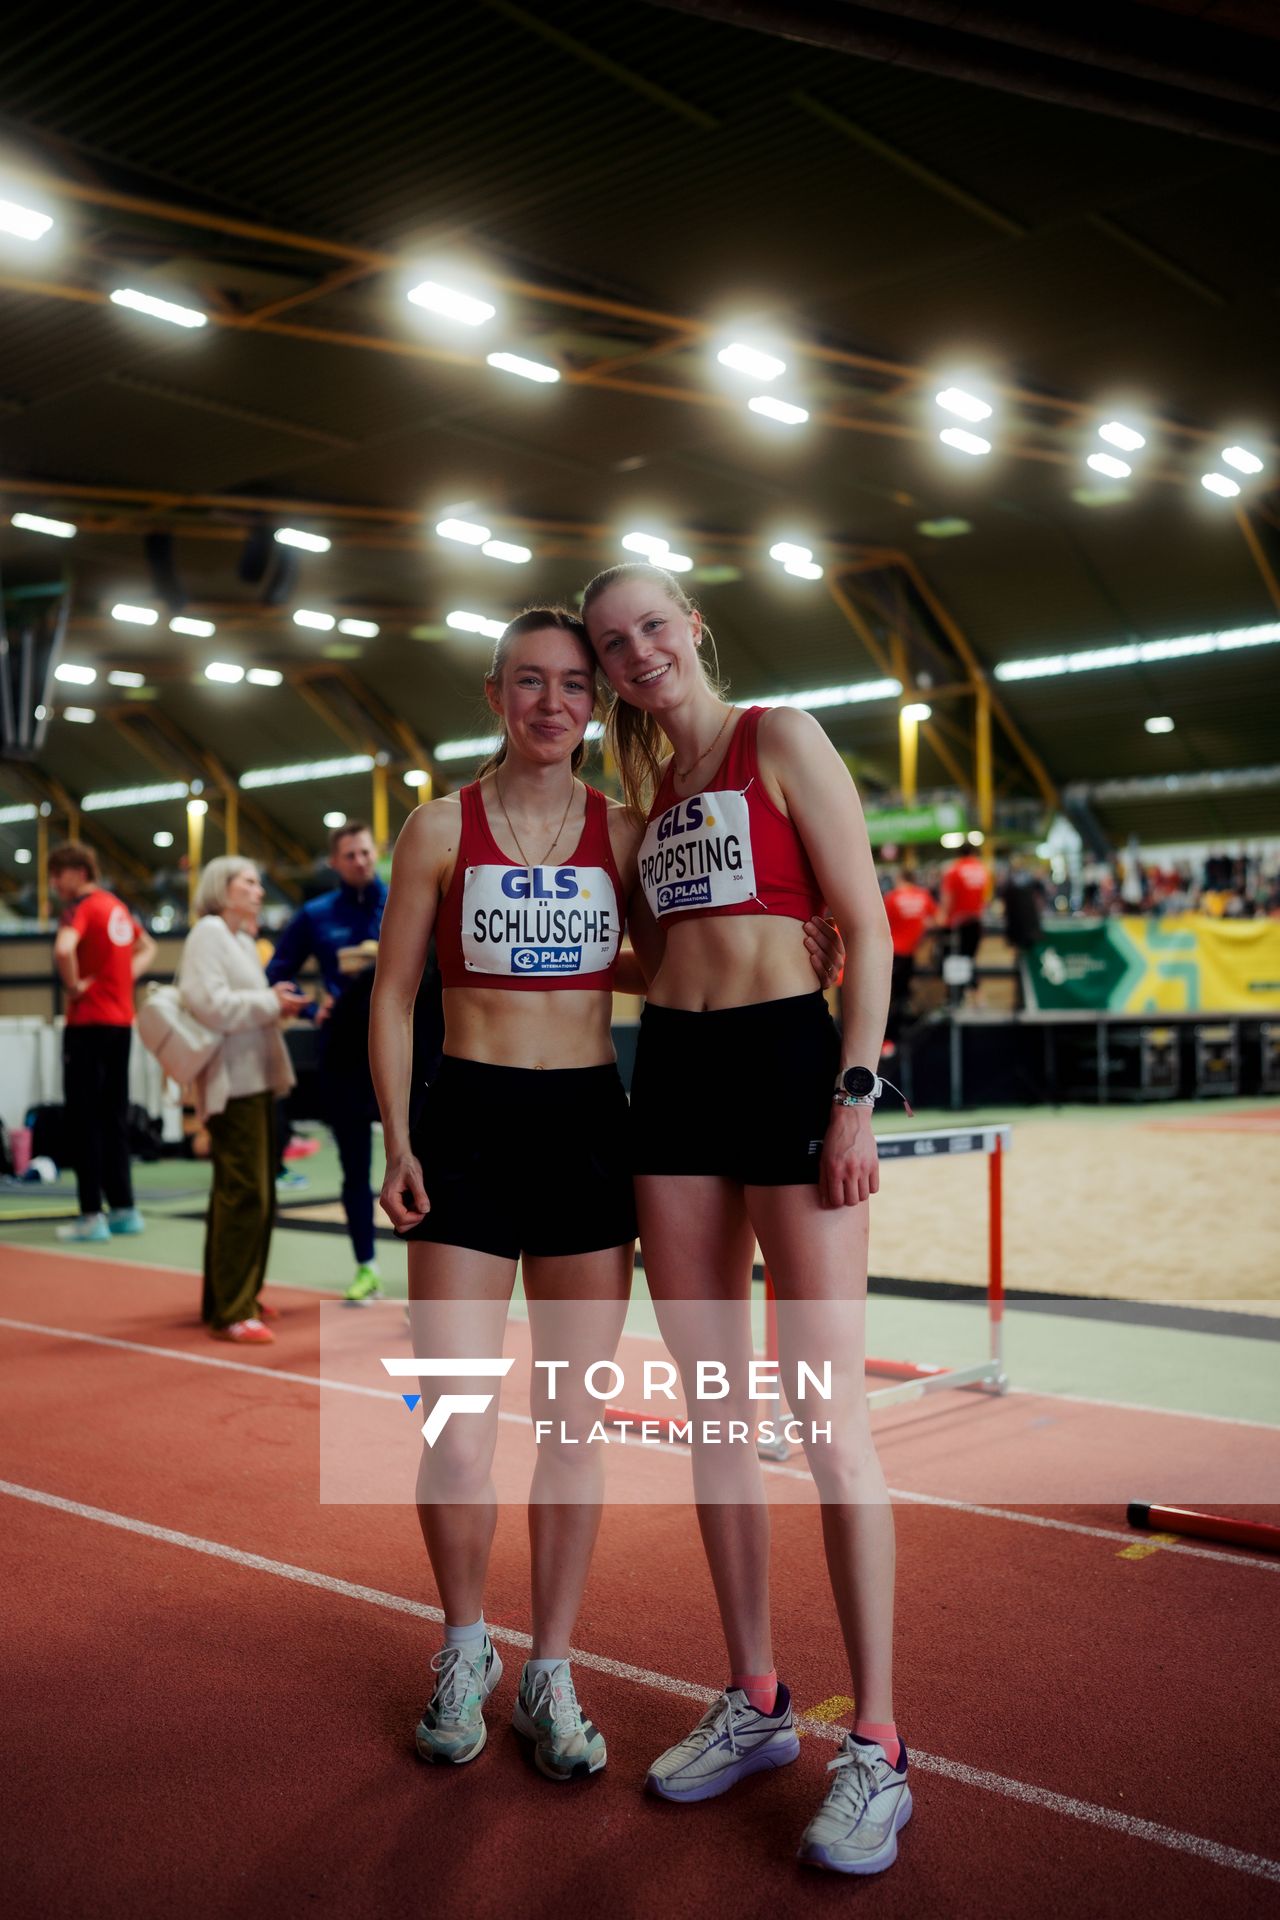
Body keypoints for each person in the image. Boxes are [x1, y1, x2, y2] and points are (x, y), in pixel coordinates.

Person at [370, 603, 853, 1785]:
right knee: (455, 1424)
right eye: (529, 683)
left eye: (574, 686)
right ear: (494, 696)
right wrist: (396, 1140)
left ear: (596, 706)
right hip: (468, 1131)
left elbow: (661, 953)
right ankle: (463, 1645)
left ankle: (552, 1667)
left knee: (571, 1430)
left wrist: (794, 939)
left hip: (591, 1134)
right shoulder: (436, 831)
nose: (554, 704)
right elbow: (391, 997)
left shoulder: (627, 834)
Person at [582, 562, 907, 1877]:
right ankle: (758, 1699)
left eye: (654, 625)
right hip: (672, 1081)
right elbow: (656, 960)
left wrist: (854, 1095)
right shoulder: (639, 800)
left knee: (827, 1420)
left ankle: (878, 1743)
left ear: (695, 628)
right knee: (715, 1413)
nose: (639, 651)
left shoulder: (785, 739)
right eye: (615, 642)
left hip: (785, 1067)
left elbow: (868, 928)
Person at [179, 857, 306, 1343]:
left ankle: (238, 1294)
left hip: (253, 1079)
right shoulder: (208, 933)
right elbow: (209, 1004)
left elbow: (242, 1007)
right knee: (244, 1191)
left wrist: (276, 1003)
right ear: (222, 888)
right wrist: (271, 1002)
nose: (258, 889)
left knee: (252, 1191)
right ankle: (231, 1310)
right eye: (248, 882)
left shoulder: (238, 939)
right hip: (231, 1081)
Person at [267, 820, 388, 1302]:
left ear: (374, 853)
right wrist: (314, 1008)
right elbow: (275, 975)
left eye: (364, 853)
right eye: (349, 856)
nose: (359, 862)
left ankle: (427, 1280)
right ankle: (367, 1268)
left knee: (425, 1161)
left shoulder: (404, 897)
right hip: (342, 1055)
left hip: (409, 1050)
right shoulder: (315, 915)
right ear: (335, 862)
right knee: (354, 1167)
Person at [50, 841, 156, 1243]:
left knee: (84, 1119)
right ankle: (125, 1209)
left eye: (58, 874)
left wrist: (75, 985)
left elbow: (64, 950)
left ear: (78, 871)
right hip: (120, 1025)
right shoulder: (116, 907)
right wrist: (124, 977)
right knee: (114, 1116)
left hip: (88, 1025)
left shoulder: (79, 909)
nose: (54, 884)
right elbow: (148, 946)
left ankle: (91, 1214)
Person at [881, 867, 935, 1046]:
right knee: (903, 993)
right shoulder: (924, 896)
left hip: (894, 952)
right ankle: (901, 1032)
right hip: (913, 951)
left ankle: (891, 1037)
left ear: (901, 879)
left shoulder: (892, 898)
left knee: (892, 996)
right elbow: (937, 919)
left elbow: (880, 924)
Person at [940, 845, 991, 1003]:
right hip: (976, 922)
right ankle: (972, 994)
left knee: (955, 960)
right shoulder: (983, 870)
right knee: (969, 959)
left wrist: (943, 917)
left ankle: (957, 997)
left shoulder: (953, 870)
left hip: (957, 924)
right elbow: (986, 899)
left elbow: (947, 899)